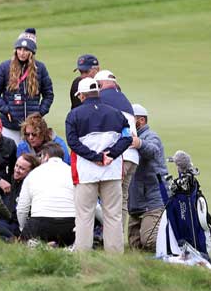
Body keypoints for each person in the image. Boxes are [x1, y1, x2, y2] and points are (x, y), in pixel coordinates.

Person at [65, 77, 132, 253]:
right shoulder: (116, 113)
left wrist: (95, 157)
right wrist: (111, 154)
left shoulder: (74, 115)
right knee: (113, 216)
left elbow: (72, 142)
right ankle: (115, 258)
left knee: (84, 216)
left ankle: (83, 258)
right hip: (112, 171)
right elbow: (127, 137)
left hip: (86, 174)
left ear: (81, 96)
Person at [0, 28, 54, 144]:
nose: (22, 53)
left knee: (31, 159)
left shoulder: (40, 68)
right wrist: (5, 110)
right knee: (10, 157)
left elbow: (48, 94)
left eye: (26, 49)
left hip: (32, 128)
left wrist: (40, 112)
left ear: (32, 52)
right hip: (10, 125)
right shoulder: (5, 67)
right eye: (19, 49)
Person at [95, 69, 139, 233]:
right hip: (132, 157)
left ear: (100, 84)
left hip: (119, 156)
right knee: (121, 200)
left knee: (108, 199)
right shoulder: (124, 99)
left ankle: (110, 239)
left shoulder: (102, 98)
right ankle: (117, 238)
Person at [17, 142, 76, 247]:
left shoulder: (33, 174)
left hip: (40, 223)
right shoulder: (72, 172)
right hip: (70, 224)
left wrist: (23, 229)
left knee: (23, 242)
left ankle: (40, 245)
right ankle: (63, 246)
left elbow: (22, 208)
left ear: (46, 156)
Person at [128, 104, 167, 251]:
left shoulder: (151, 136)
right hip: (137, 201)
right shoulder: (129, 137)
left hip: (153, 200)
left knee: (150, 241)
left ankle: (177, 246)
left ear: (142, 120)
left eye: (131, 119)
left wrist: (139, 143)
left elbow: (152, 150)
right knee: (135, 247)